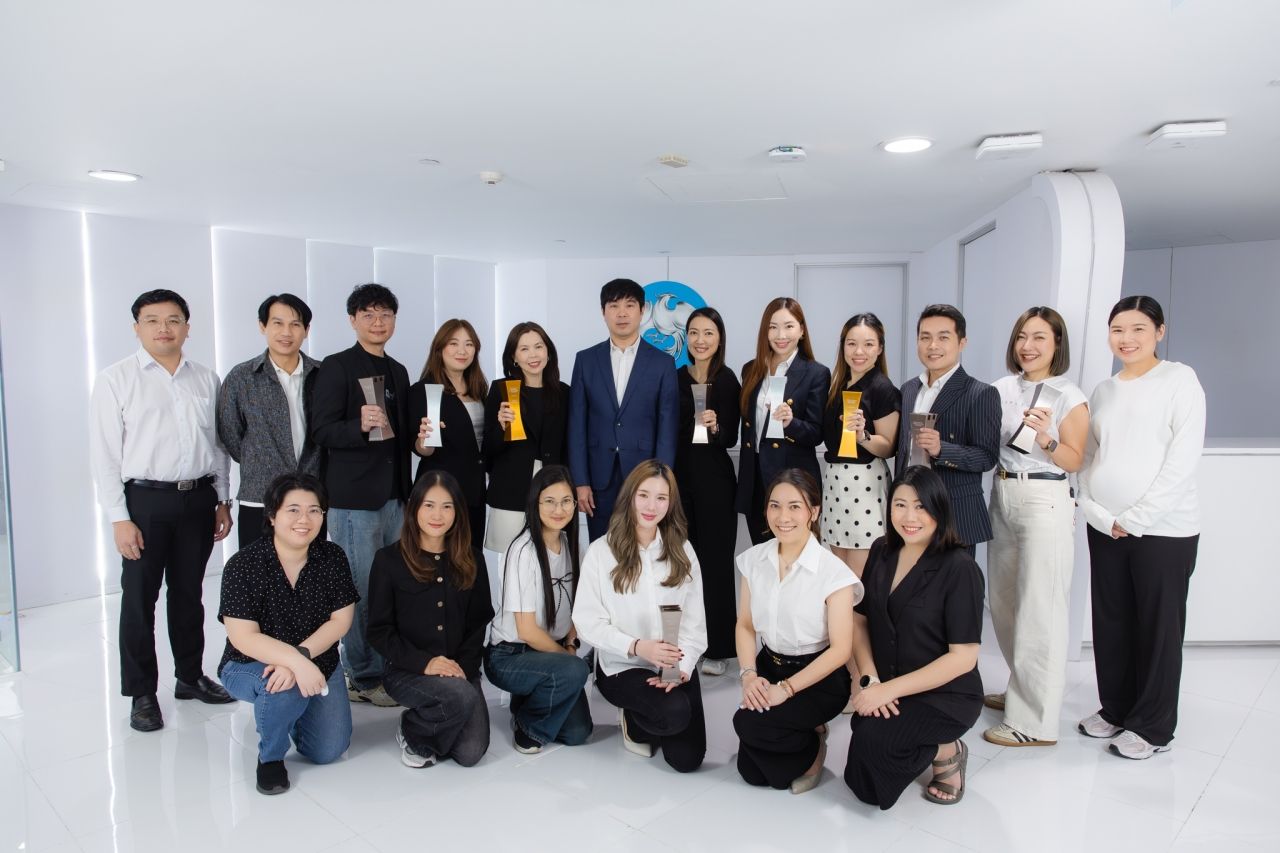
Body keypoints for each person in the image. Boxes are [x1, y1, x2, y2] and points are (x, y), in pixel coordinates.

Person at [89, 289, 234, 732]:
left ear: (187, 327)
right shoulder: (116, 379)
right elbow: (104, 455)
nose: (163, 328)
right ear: (137, 328)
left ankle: (189, 676)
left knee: (189, 594)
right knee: (139, 599)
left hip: (199, 498)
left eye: (173, 320)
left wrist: (222, 498)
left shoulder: (205, 378)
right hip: (145, 502)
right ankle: (141, 693)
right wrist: (119, 517)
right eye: (152, 320)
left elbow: (217, 444)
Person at [1076, 295, 1205, 760]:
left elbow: (1181, 462)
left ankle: (1152, 728)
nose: (1126, 339)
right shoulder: (1104, 390)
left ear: (1159, 332)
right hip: (1106, 527)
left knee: (1157, 628)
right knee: (1112, 621)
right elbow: (1088, 457)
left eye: (1138, 329)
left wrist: (1135, 519)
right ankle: (1116, 708)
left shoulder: (1179, 380)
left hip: (1163, 531)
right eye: (1118, 330)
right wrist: (1097, 513)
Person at [843, 466, 984, 809]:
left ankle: (946, 750)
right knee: (860, 773)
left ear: (939, 508)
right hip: (888, 682)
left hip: (944, 694)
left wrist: (888, 691)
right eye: (900, 505)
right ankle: (916, 742)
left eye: (921, 506)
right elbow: (859, 620)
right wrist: (870, 679)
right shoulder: (881, 550)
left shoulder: (959, 567)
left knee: (874, 747)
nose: (909, 517)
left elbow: (964, 657)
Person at [982, 307, 1089, 748]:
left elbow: (1074, 459)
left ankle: (1034, 723)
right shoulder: (1001, 388)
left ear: (1057, 344)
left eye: (1040, 337)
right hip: (1002, 492)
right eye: (1022, 336)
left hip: (1044, 497)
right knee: (1005, 602)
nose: (1028, 346)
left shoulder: (1068, 395)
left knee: (1040, 608)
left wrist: (1046, 437)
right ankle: (1021, 689)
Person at [217, 473, 358, 795]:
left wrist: (302, 658)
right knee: (282, 686)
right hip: (250, 663)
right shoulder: (243, 565)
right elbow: (243, 637)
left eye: (314, 510)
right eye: (293, 510)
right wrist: (295, 664)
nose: (304, 519)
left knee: (328, 750)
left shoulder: (332, 557)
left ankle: (287, 712)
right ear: (272, 515)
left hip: (317, 658)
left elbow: (340, 621)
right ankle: (270, 758)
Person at [310, 283, 412, 707]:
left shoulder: (399, 371)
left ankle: (387, 666)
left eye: (385, 314)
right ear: (352, 320)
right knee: (361, 589)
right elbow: (321, 430)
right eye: (368, 314)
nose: (378, 322)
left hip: (396, 498)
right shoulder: (337, 367)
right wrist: (359, 425)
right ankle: (362, 676)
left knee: (392, 588)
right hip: (354, 502)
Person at [573, 460, 708, 772]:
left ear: (670, 503)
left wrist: (684, 667)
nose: (651, 506)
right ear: (630, 496)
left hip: (671, 662)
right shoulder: (601, 552)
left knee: (687, 760)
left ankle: (654, 710)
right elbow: (587, 621)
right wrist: (637, 646)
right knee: (674, 713)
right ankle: (634, 722)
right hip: (622, 667)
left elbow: (694, 621)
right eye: (644, 495)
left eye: (661, 498)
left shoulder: (682, 550)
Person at [733, 469, 860, 794]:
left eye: (794, 507)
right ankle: (802, 733)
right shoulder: (753, 560)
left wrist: (786, 690)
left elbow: (841, 650)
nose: (783, 517)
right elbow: (745, 625)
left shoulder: (834, 573)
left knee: (746, 724)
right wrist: (749, 675)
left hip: (819, 679)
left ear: (813, 512)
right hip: (769, 666)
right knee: (751, 773)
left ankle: (814, 743)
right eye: (775, 506)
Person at [367, 470, 495, 768]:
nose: (438, 515)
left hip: (459, 669)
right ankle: (413, 730)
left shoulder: (473, 558)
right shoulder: (388, 560)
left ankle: (438, 715)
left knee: (471, 752)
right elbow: (379, 632)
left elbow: (479, 623)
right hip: (407, 671)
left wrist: (460, 670)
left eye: (447, 506)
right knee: (459, 699)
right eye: (429, 505)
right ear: (414, 508)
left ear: (457, 511)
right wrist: (425, 663)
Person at [484, 465, 592, 753]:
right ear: (535, 503)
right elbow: (527, 631)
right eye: (550, 501)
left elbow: (578, 608)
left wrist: (571, 644)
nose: (559, 509)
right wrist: (568, 659)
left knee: (579, 732)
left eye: (566, 501)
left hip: (551, 651)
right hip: (510, 655)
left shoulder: (572, 545)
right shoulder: (523, 550)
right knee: (576, 671)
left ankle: (529, 698)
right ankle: (528, 727)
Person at [568, 279, 679, 540]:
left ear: (642, 310)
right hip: (598, 479)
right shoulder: (586, 360)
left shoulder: (662, 363)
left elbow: (667, 428)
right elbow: (576, 425)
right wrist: (581, 481)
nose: (622, 313)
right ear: (603, 311)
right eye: (613, 306)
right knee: (601, 547)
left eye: (629, 305)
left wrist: (661, 482)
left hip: (645, 477)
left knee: (643, 547)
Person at [893, 304, 1000, 555]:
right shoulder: (909, 389)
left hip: (954, 514)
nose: (933, 346)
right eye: (925, 337)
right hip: (909, 514)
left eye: (943, 337)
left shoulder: (980, 393)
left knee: (954, 581)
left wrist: (942, 449)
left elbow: (987, 457)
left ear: (962, 342)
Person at [218, 294, 322, 548]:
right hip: (259, 496)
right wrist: (260, 459)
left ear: (306, 330)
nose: (286, 332)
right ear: (262, 326)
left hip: (311, 496)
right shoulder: (242, 376)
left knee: (312, 567)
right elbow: (230, 433)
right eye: (278, 323)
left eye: (295, 324)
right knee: (256, 568)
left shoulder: (323, 374)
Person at [674, 307, 741, 676]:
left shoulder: (727, 380)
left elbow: (730, 437)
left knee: (715, 565)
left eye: (709, 333)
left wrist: (715, 427)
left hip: (715, 481)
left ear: (719, 338)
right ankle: (688, 642)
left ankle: (718, 647)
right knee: (683, 564)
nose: (701, 340)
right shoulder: (675, 378)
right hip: (680, 480)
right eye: (695, 333)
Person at [736, 297, 830, 544]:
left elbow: (816, 433)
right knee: (762, 554)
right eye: (773, 327)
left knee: (795, 554)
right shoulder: (751, 369)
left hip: (793, 479)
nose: (781, 335)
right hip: (755, 477)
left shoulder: (816, 373)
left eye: (789, 326)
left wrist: (791, 422)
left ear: (801, 330)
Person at [820, 313, 901, 574]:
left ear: (880, 348)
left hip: (864, 486)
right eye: (851, 343)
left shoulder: (882, 387)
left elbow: (888, 446)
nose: (858, 352)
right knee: (838, 576)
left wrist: (863, 436)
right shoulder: (839, 384)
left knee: (861, 579)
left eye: (868, 344)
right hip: (835, 484)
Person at [482, 322, 570, 555]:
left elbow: (568, 447)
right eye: (524, 349)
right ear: (514, 357)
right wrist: (501, 428)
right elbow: (487, 451)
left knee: (551, 560)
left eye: (538, 347)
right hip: (510, 489)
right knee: (511, 560)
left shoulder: (564, 393)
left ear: (548, 352)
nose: (533, 355)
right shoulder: (501, 389)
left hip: (552, 489)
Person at [411, 319, 489, 551]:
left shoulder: (480, 390)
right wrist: (424, 439)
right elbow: (421, 449)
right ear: (440, 349)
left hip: (475, 492)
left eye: (469, 344)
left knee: (470, 557)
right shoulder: (422, 391)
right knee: (438, 556)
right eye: (453, 343)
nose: (462, 351)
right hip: (440, 493)